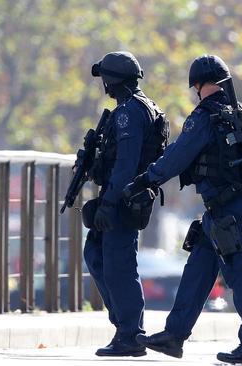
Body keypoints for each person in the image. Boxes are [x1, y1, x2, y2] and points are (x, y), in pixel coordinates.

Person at [123, 54, 242, 364]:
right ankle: (174, 335)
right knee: (200, 265)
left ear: (198, 84)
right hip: (237, 205)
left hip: (223, 208)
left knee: (237, 272)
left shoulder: (206, 117)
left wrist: (146, 179)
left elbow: (179, 155)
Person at [83, 51, 169, 357]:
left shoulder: (128, 112)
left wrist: (108, 203)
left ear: (111, 81)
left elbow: (126, 163)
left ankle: (130, 334)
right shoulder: (141, 108)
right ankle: (124, 325)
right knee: (96, 254)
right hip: (126, 197)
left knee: (119, 266)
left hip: (122, 199)